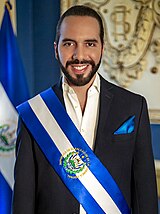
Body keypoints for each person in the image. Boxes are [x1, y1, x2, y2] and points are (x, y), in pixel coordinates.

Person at [12, 5, 158, 214]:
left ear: (102, 48)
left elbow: (145, 196)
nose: (79, 55)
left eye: (89, 43)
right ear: (56, 49)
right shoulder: (33, 114)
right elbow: (23, 202)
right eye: (69, 43)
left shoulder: (134, 107)